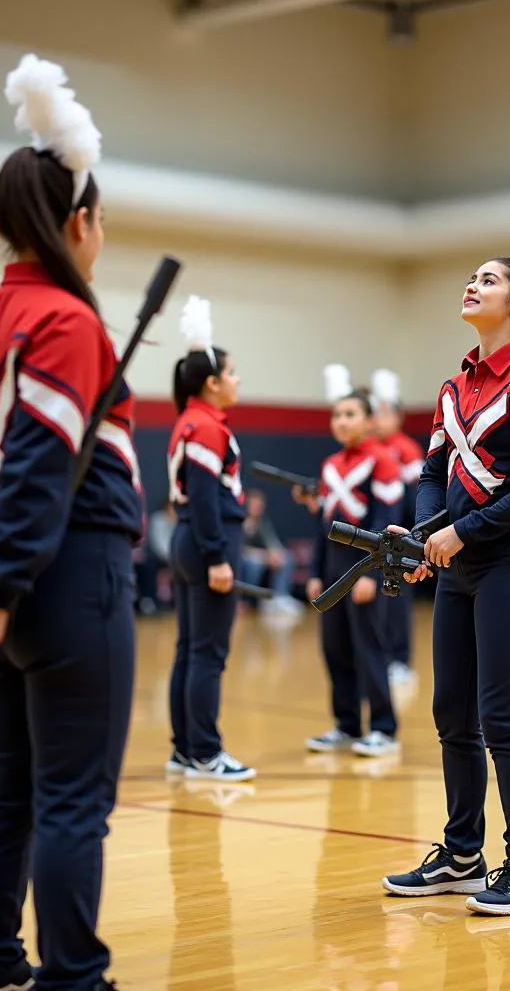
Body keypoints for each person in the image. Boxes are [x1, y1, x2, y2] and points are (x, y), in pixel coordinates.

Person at [0, 54, 135, 991]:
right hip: (69, 583)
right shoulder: (68, 323)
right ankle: (74, 978)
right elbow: (45, 471)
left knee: (8, 786)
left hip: (3, 590)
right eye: (101, 222)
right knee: (73, 802)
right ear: (76, 221)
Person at [382, 215, 510, 916]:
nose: (472, 284)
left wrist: (464, 531)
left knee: (501, 718)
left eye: (486, 280)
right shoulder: (452, 387)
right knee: (450, 713)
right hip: (459, 563)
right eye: (471, 278)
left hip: (509, 564)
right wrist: (429, 530)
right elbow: (434, 469)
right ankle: (463, 853)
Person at [166, 295, 254, 781]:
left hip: (190, 543)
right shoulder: (204, 425)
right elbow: (202, 497)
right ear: (212, 383)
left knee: (190, 649)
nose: (238, 381)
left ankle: (185, 750)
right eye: (233, 373)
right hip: (207, 544)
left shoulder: (192, 421)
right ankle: (204, 752)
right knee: (207, 654)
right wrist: (218, 557)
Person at [302, 364, 404, 757]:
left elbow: (386, 521)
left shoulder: (383, 460)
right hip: (333, 566)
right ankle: (346, 724)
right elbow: (322, 524)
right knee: (335, 647)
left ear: (370, 420)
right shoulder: (330, 465)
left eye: (350, 414)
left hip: (365, 567)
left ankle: (384, 727)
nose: (341, 421)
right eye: (337, 415)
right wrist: (314, 572)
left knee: (369, 646)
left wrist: (373, 575)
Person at [370, 367, 425, 684]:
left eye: (384, 412)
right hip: (377, 537)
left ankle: (401, 659)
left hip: (399, 535)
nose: (378, 419)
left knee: (397, 599)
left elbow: (415, 497)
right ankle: (381, 655)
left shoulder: (406, 450)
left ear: (398, 416)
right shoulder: (370, 450)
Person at [240, 488, 301, 619]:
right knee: (254, 563)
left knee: (287, 557)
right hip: (246, 560)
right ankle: (248, 601)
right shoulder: (240, 520)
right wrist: (265, 556)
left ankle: (280, 597)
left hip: (263, 558)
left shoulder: (262, 522)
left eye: (260, 504)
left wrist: (276, 554)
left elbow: (272, 543)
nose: (258, 507)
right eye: (255, 504)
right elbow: (240, 549)